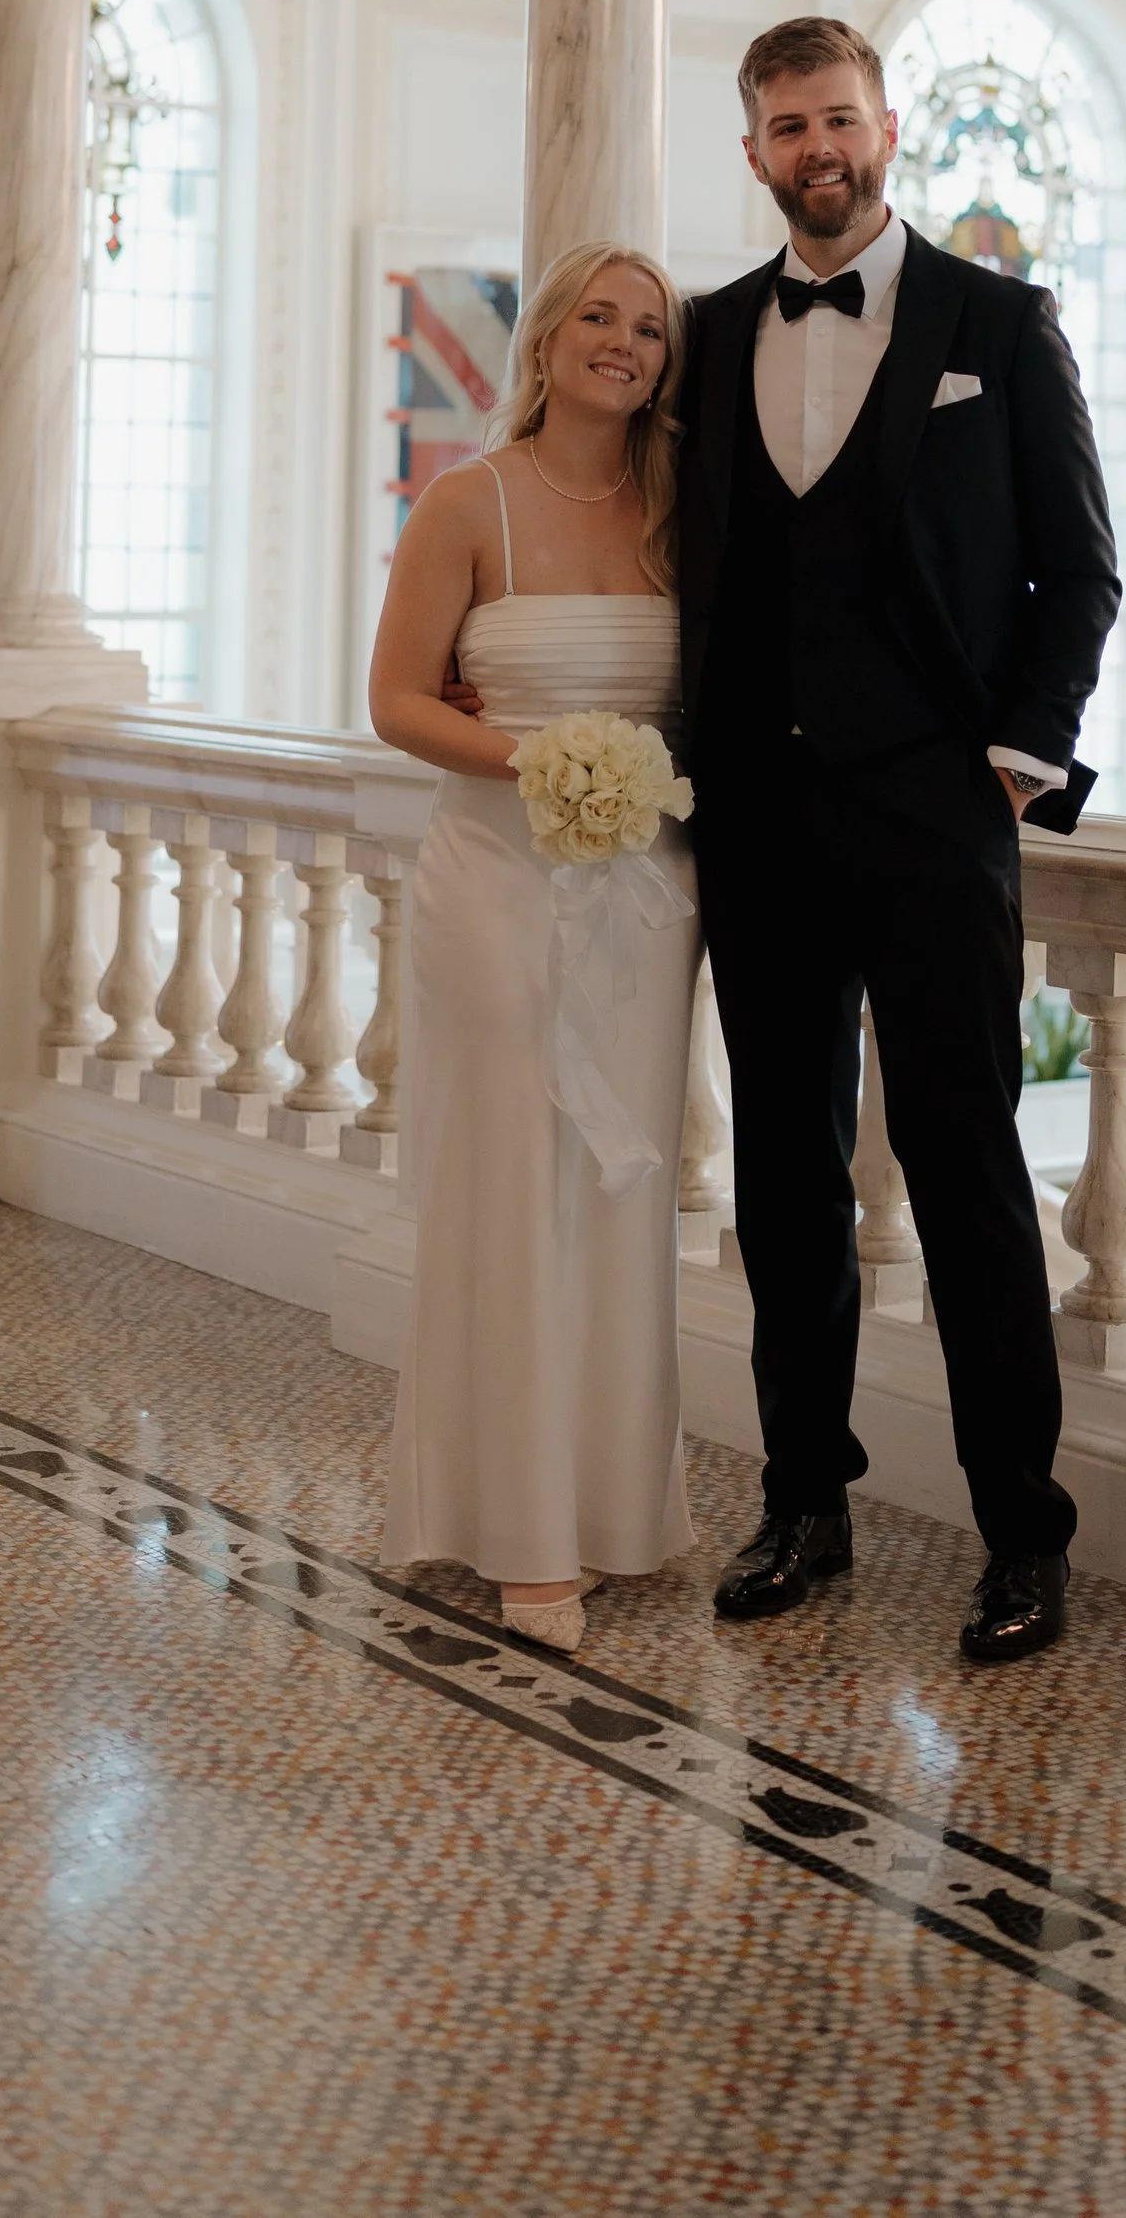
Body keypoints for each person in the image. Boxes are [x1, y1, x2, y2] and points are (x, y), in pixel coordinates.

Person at [679, 19, 1121, 1665]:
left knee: (965, 1167)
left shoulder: (998, 323)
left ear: (889, 126)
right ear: (755, 152)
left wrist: (1010, 761)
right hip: (757, 819)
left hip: (937, 816)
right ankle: (805, 1500)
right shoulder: (715, 332)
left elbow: (1077, 571)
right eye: (790, 125)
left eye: (842, 117)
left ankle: (1023, 1530)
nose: (821, 147)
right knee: (783, 1174)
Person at [371, 244, 700, 1656]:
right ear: (550, 334)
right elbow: (393, 699)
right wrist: (539, 760)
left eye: (649, 328)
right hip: (497, 882)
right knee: (510, 1179)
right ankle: (511, 1524)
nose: (623, 343)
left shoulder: (684, 511)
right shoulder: (468, 500)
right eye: (600, 318)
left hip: (645, 894)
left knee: (622, 1186)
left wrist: (635, 785)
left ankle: (615, 1505)